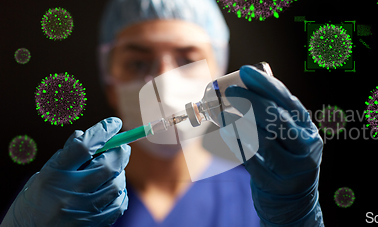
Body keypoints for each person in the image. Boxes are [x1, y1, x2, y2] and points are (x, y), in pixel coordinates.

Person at [0, 0, 324, 226]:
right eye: (138, 63)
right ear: (109, 83)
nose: (162, 83)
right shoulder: (57, 199)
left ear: (218, 77)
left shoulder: (265, 199)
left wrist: (298, 219)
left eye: (186, 60)